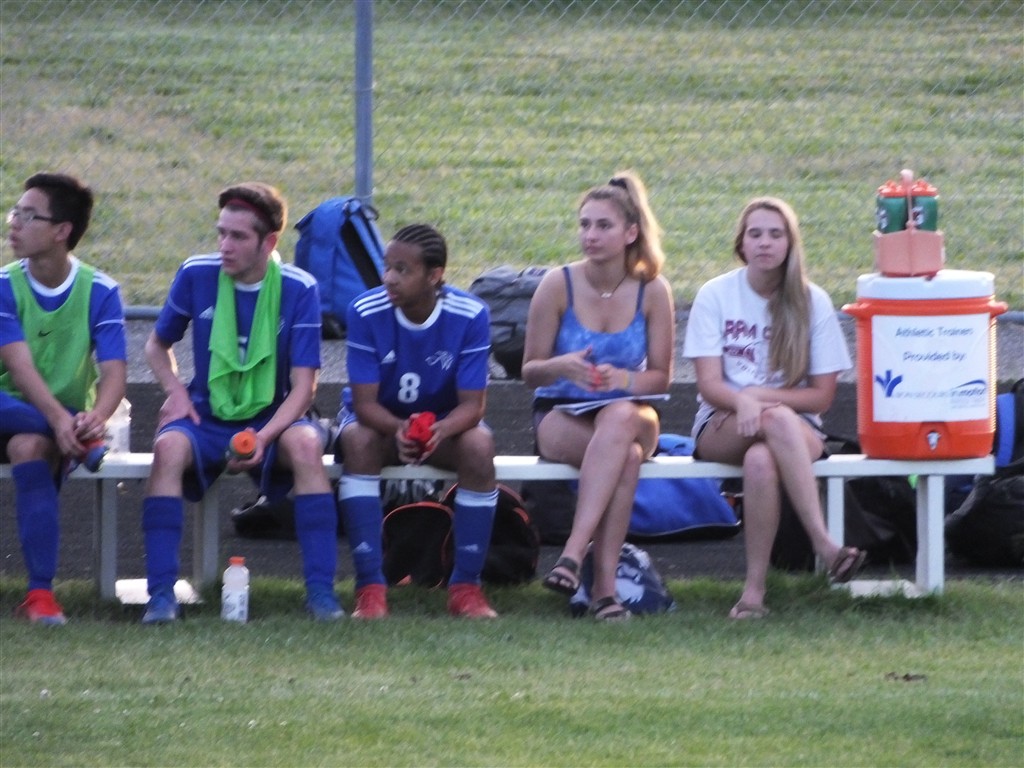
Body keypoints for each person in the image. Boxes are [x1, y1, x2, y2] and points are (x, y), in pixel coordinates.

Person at [141, 182, 341, 623]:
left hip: (274, 417)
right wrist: (176, 393)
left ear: (268, 242)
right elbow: (156, 346)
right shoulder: (196, 274)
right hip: (207, 414)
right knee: (167, 448)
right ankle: (161, 597)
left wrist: (263, 437)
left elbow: (304, 388)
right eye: (221, 233)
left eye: (238, 236)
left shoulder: (299, 287)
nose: (224, 246)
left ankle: (322, 595)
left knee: (307, 445)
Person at [683, 196, 865, 620]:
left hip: (798, 427)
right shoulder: (715, 294)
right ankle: (825, 545)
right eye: (755, 234)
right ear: (741, 244)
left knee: (762, 459)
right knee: (773, 422)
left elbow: (820, 398)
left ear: (790, 243)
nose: (764, 242)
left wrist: (759, 397)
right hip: (723, 422)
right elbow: (709, 385)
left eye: (775, 234)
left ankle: (753, 593)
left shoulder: (812, 300)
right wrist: (742, 400)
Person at [521, 171, 675, 621]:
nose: (590, 235)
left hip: (632, 412)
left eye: (603, 225)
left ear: (630, 233)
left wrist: (622, 380)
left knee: (622, 416)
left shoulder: (653, 290)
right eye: (585, 224)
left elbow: (661, 378)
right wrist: (561, 366)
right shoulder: (558, 284)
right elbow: (530, 371)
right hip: (562, 413)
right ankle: (605, 593)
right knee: (624, 458)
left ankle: (573, 553)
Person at [337, 223, 499, 620]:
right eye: (387, 266)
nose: (389, 278)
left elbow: (473, 407)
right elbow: (364, 405)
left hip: (443, 426)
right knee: (358, 441)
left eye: (402, 270)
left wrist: (440, 430)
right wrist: (399, 430)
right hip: (380, 425)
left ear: (434, 275)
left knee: (479, 446)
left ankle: (466, 589)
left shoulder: (471, 314)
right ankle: (370, 590)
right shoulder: (364, 311)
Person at [1, 172, 127, 625]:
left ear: (61, 231)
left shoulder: (101, 290)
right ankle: (82, 442)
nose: (13, 223)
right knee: (37, 429)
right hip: (12, 406)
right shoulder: (4, 284)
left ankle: (40, 595)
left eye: (28, 215)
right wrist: (62, 421)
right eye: (15, 212)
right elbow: (19, 368)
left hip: (54, 424)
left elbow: (115, 373)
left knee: (29, 447)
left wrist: (98, 417)